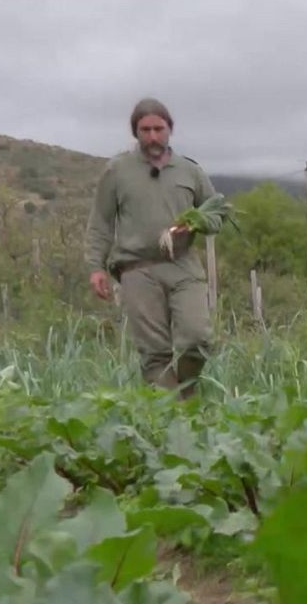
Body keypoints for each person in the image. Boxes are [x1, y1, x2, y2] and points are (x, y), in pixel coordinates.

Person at [85, 97, 215, 398]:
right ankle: (172, 414)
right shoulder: (117, 171)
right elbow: (101, 222)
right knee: (155, 353)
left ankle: (186, 395)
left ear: (170, 129)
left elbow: (216, 212)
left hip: (183, 264)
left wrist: (198, 222)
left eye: (159, 129)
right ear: (136, 132)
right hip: (137, 269)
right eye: (145, 130)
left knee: (197, 339)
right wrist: (95, 267)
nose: (153, 137)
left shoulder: (190, 171)